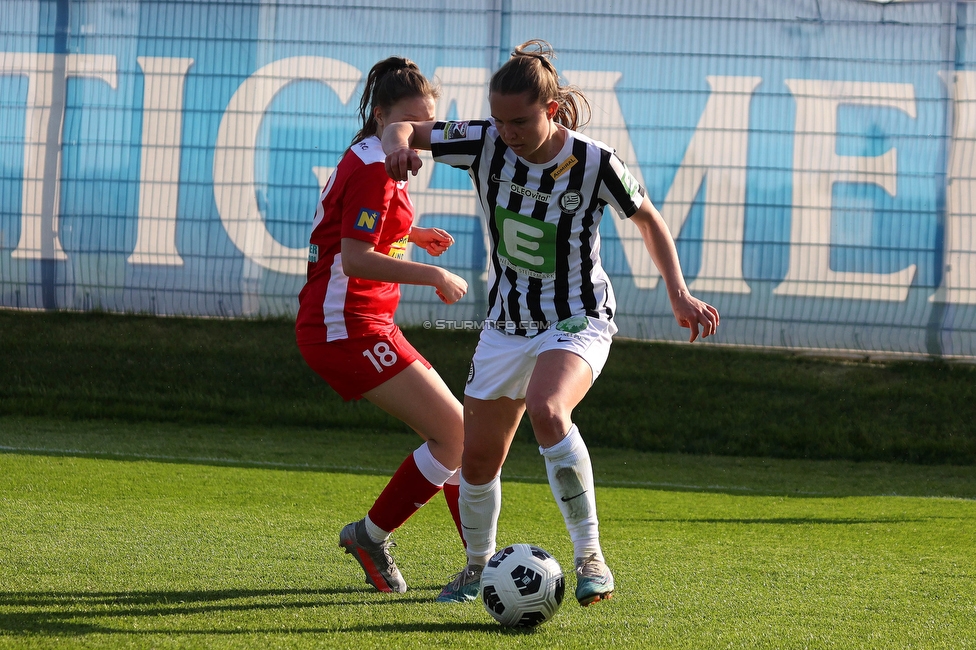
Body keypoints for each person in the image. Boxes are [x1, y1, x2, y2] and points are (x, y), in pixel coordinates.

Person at [382, 40, 719, 606]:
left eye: (520, 121)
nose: (506, 132)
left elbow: (649, 220)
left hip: (577, 314)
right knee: (479, 457)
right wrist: (398, 146)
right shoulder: (483, 142)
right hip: (508, 322)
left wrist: (678, 293)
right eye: (498, 119)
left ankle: (591, 559)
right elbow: (406, 130)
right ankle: (476, 568)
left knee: (548, 407)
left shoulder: (595, 161)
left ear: (552, 111)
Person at [295, 56, 470, 595]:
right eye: (411, 124)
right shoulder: (376, 166)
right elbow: (357, 258)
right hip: (345, 327)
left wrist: (412, 234)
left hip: (359, 322)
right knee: (456, 432)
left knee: (456, 435)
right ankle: (371, 537)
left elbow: (358, 229)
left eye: (428, 125)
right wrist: (432, 273)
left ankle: (480, 560)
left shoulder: (380, 159)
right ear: (381, 117)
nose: (421, 135)